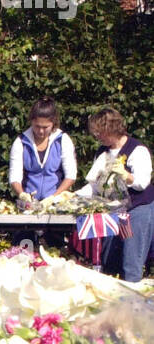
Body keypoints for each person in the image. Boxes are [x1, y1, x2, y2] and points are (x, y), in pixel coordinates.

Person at [82, 107, 153, 283]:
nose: (96, 136)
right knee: (108, 262)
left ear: (111, 129)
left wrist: (125, 174)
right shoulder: (102, 152)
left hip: (136, 210)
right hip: (112, 212)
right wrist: (70, 197)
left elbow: (142, 183)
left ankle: (134, 306)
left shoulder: (137, 149)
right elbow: (95, 186)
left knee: (131, 263)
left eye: (99, 132)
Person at [9, 98, 77, 204]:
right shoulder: (20, 142)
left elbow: (71, 176)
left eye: (45, 127)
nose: (41, 131)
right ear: (31, 121)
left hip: (57, 202)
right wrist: (22, 195)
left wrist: (53, 198)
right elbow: (14, 177)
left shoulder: (63, 140)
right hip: (29, 204)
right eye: (37, 126)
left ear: (53, 123)